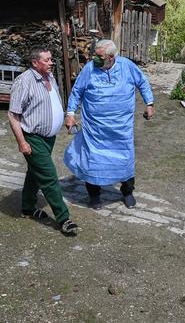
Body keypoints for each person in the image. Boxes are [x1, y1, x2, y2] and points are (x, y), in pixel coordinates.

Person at [63, 39, 154, 209]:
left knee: (124, 161)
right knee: (93, 162)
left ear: (111, 57)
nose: (95, 59)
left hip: (121, 130)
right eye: (94, 55)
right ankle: (94, 196)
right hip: (95, 129)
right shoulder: (89, 69)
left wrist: (149, 103)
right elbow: (77, 92)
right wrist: (70, 114)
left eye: (99, 56)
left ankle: (127, 192)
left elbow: (142, 82)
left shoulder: (127, 66)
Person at [8, 47, 78, 237]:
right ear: (35, 62)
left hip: (49, 138)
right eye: (46, 60)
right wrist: (22, 142)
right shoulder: (24, 82)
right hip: (33, 137)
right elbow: (13, 115)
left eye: (51, 59)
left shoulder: (49, 77)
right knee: (49, 177)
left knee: (35, 172)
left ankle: (28, 208)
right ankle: (64, 219)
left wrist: (64, 118)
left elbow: (52, 103)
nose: (51, 62)